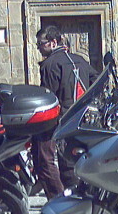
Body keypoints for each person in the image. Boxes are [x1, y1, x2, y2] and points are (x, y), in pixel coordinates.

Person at [34, 25, 98, 197]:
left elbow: (49, 97)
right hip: (82, 119)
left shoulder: (49, 64)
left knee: (46, 159)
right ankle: (80, 193)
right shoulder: (80, 59)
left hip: (60, 119)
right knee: (75, 158)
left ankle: (59, 199)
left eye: (41, 44)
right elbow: (97, 81)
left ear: (53, 42)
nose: (39, 48)